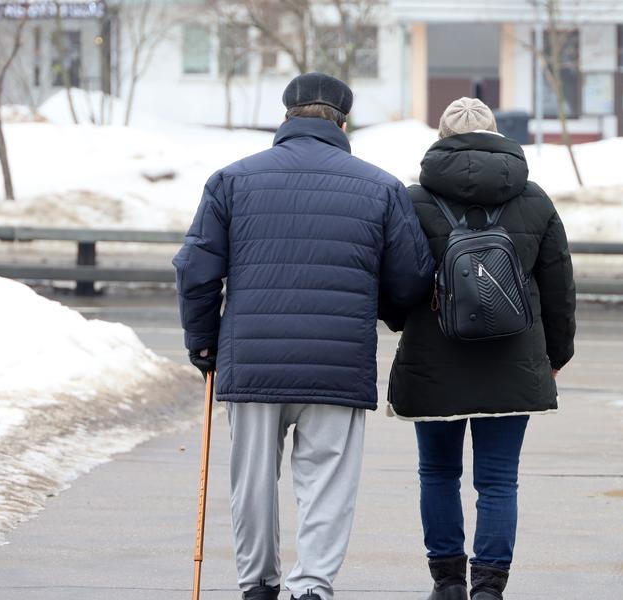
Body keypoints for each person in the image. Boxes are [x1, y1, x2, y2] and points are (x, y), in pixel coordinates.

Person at [173, 72, 434, 600]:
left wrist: (204, 343)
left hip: (251, 361)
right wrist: (374, 308)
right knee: (327, 484)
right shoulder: (379, 186)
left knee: (252, 483)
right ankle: (312, 586)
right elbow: (410, 279)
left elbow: (196, 270)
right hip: (336, 363)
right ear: (343, 121)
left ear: (286, 116)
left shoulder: (231, 180)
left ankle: (258, 584)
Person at [384, 97, 577, 600]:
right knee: (497, 480)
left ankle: (447, 583)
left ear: (442, 139)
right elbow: (559, 287)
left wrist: (403, 323)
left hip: (433, 360)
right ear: (497, 137)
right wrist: (554, 357)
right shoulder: (534, 198)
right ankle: (489, 587)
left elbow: (396, 281)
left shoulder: (412, 199)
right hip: (512, 361)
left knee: (438, 473)